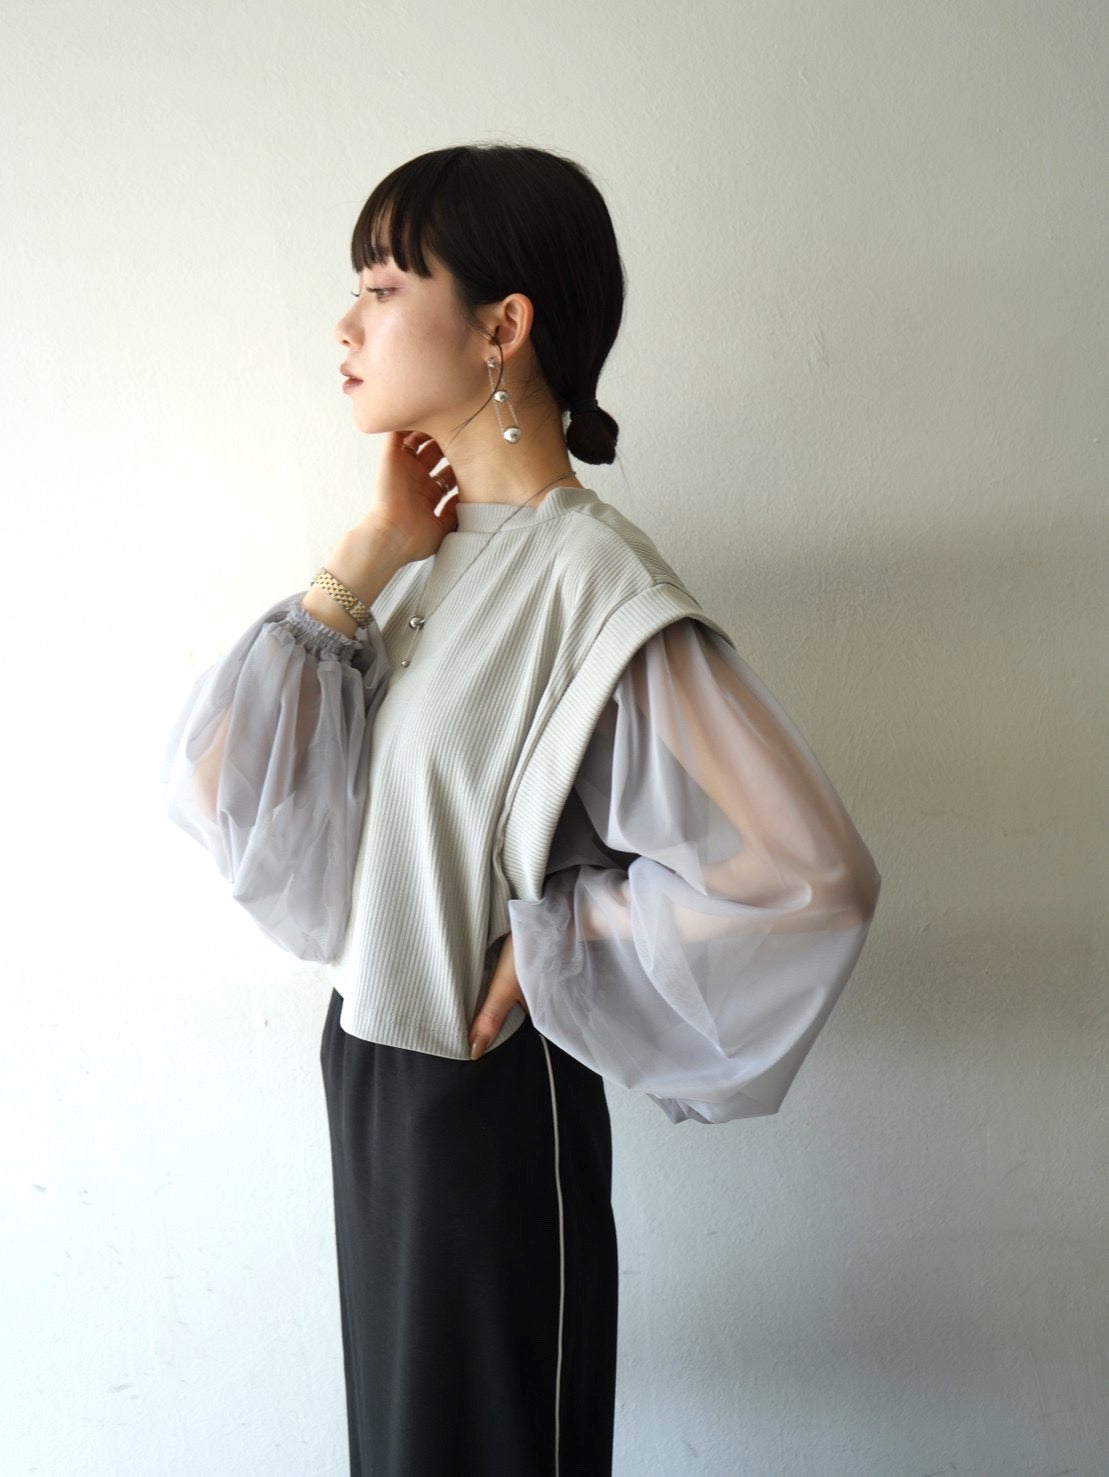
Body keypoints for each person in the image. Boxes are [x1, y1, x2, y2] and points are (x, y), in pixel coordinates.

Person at [161, 143, 881, 1477]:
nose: (345, 325)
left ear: (503, 327)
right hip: (372, 1081)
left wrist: (560, 942)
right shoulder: (431, 566)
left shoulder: (589, 580)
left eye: (383, 287)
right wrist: (368, 553)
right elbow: (223, 793)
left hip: (485, 1110)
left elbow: (806, 874)